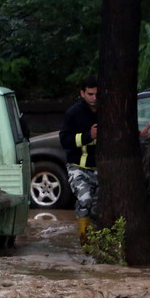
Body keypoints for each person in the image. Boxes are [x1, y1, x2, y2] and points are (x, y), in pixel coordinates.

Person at [60, 77, 99, 243]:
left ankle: (97, 239)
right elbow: (65, 141)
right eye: (90, 94)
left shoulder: (108, 110)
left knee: (98, 207)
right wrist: (87, 136)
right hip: (78, 168)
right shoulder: (73, 113)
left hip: (100, 169)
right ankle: (84, 239)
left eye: (97, 94)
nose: (94, 98)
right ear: (82, 93)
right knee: (85, 200)